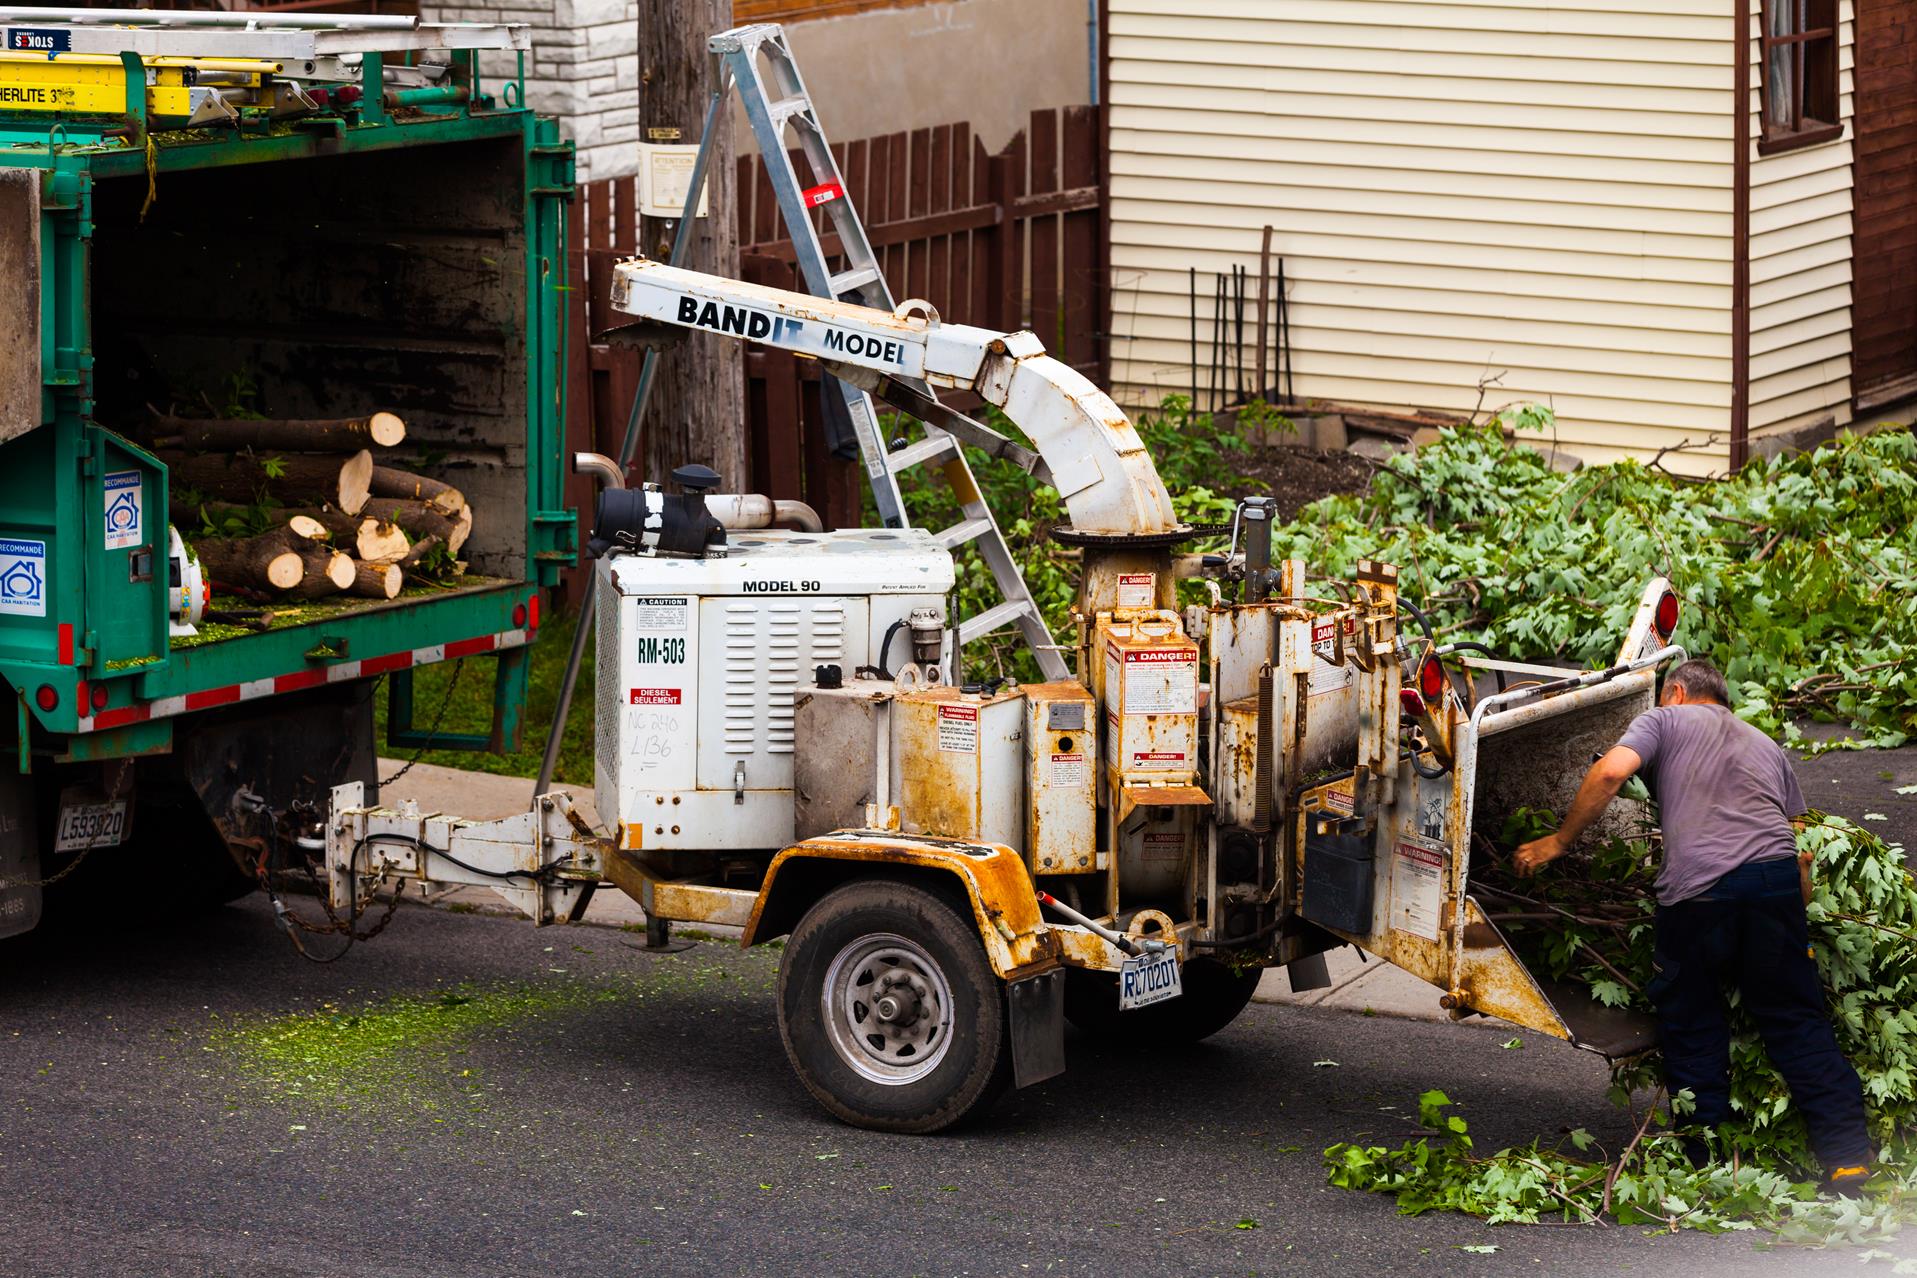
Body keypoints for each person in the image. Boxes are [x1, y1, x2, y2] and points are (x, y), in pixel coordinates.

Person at [1512, 657, 1873, 1188]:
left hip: (1700, 893)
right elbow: (1802, 855)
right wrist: (1786, 920)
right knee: (1797, 1020)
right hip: (1775, 884)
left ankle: (1702, 1164)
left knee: (1694, 1019)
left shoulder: (1664, 720)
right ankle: (1848, 1161)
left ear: (1676, 693)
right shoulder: (1767, 745)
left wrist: (1559, 842)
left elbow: (1611, 771)